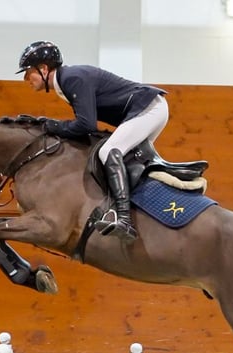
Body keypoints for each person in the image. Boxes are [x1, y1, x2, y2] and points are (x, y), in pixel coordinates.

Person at [17, 40, 169, 244]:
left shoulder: (72, 78)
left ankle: (124, 218)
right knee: (126, 159)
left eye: (28, 73)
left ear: (44, 69)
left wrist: (50, 126)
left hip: (149, 108)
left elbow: (86, 125)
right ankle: (136, 211)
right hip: (148, 108)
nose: (27, 79)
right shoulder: (65, 82)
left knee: (108, 152)